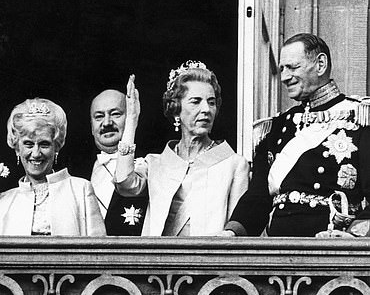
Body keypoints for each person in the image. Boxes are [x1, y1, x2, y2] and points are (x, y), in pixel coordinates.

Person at [222, 33, 370, 237]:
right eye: (282, 69)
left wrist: (354, 236)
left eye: (292, 67)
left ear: (320, 64)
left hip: (332, 251)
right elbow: (258, 197)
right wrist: (232, 232)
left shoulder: (360, 118)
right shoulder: (277, 127)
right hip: (279, 250)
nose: (284, 77)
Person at [115, 64, 250, 236]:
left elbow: (235, 232)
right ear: (176, 109)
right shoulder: (156, 163)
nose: (206, 110)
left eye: (211, 102)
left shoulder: (234, 164)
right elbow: (124, 184)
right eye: (196, 101)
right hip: (160, 260)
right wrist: (131, 121)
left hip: (209, 260)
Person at [0, 98, 106, 236]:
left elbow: (100, 253)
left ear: (56, 147)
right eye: (28, 144)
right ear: (17, 148)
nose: (36, 153)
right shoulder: (2, 201)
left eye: (44, 144)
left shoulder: (81, 190)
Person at [89, 89, 148, 235]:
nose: (107, 123)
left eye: (115, 114)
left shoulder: (148, 165)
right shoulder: (76, 170)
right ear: (91, 125)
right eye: (99, 117)